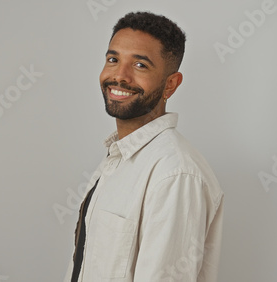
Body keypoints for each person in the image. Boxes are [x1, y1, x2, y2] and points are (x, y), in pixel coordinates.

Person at [64, 11, 224, 282]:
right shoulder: (119, 158)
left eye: (140, 65)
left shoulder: (175, 174)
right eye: (113, 59)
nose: (120, 76)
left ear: (170, 85)